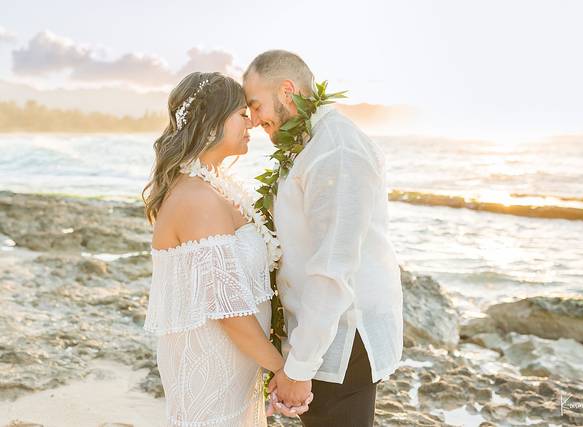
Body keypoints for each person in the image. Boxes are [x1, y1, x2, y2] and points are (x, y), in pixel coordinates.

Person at [243, 50, 404, 426]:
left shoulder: (337, 150)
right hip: (319, 341)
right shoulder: (310, 144)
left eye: (255, 105)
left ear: (287, 91)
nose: (252, 120)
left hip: (344, 342)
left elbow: (333, 269)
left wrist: (299, 368)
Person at [142, 71, 311, 426]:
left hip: (236, 360)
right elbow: (227, 307)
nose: (250, 121)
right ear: (211, 122)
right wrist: (282, 369)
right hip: (211, 361)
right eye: (240, 114)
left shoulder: (217, 185)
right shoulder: (196, 197)